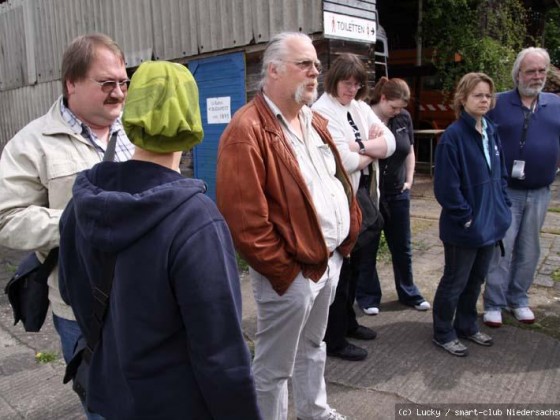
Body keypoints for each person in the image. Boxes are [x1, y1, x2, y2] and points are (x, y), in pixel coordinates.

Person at [58, 61, 261, 419]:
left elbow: (71, 289)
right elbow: (220, 352)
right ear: (191, 120)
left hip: (108, 394)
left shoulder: (82, 202)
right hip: (172, 404)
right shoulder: (196, 219)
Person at [216, 32, 360, 420]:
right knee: (274, 366)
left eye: (316, 64)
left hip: (328, 261)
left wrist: (342, 241)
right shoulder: (246, 130)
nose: (316, 72)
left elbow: (336, 181)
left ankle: (314, 411)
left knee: (314, 346)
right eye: (305, 65)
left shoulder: (313, 119)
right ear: (275, 70)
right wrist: (286, 273)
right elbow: (244, 221)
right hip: (291, 273)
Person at [0, 33, 133, 419]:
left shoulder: (135, 129)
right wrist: (76, 222)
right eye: (106, 83)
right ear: (71, 83)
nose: (119, 93)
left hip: (145, 300)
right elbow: (6, 218)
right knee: (104, 405)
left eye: (123, 82)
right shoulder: (33, 143)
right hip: (82, 309)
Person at [312, 53, 395, 361]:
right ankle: (334, 339)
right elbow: (342, 162)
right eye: (347, 83)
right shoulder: (321, 111)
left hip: (362, 196)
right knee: (340, 272)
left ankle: (348, 324)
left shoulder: (359, 107)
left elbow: (391, 144)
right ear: (334, 80)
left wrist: (363, 149)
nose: (351, 90)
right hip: (341, 199)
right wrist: (372, 151)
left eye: (357, 84)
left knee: (357, 266)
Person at [432, 72, 511, 357]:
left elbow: (500, 176)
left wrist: (502, 207)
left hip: (490, 226)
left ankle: (466, 324)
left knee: (476, 281)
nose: (484, 100)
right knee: (455, 282)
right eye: (477, 95)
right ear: (462, 98)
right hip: (463, 228)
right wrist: (466, 217)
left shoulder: (491, 130)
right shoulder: (452, 138)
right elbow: (445, 188)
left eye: (488, 95)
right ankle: (443, 332)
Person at [483, 48, 560, 327]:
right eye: (531, 71)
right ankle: (493, 302)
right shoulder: (498, 103)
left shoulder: (556, 103)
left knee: (529, 249)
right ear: (518, 74)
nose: (537, 76)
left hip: (540, 191)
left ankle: (519, 299)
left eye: (542, 70)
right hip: (506, 190)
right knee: (502, 247)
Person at [355, 77, 431, 315]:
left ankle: (408, 292)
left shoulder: (402, 119)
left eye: (401, 108)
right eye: (394, 107)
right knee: (368, 247)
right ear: (383, 98)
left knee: (402, 246)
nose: (398, 112)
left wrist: (410, 180)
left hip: (398, 192)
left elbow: (409, 150)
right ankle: (367, 297)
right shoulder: (364, 116)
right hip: (371, 194)